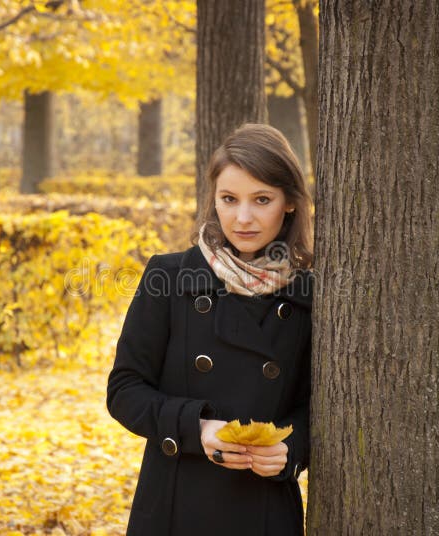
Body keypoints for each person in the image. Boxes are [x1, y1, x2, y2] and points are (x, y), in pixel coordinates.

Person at [107, 123, 314, 536]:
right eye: (229, 199)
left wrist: (291, 451)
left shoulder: (309, 290)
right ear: (213, 200)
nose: (243, 217)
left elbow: (320, 406)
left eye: (261, 200)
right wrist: (196, 427)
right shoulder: (167, 276)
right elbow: (125, 390)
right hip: (176, 505)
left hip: (264, 509)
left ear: (288, 202)